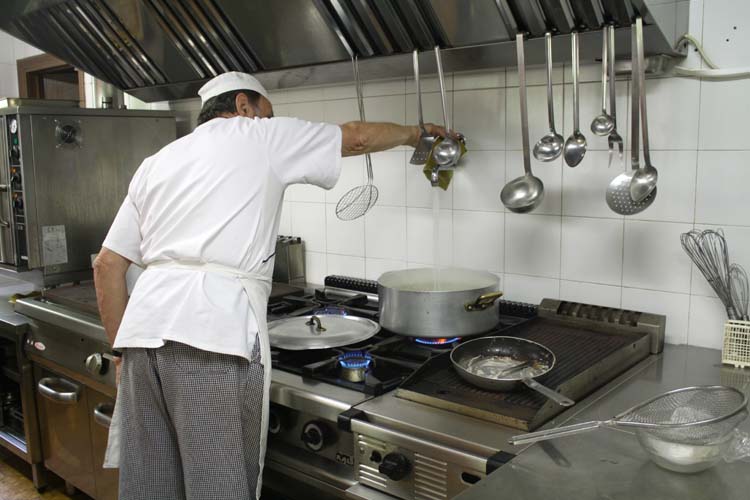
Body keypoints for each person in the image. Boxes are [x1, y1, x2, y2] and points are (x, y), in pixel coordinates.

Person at [93, 71, 453, 500]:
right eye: (268, 113)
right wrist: (417, 135)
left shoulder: (158, 161)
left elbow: (107, 265)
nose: (270, 120)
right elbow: (355, 137)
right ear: (243, 105)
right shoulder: (257, 135)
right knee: (217, 487)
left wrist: (119, 352)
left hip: (141, 338)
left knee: (152, 488)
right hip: (210, 335)